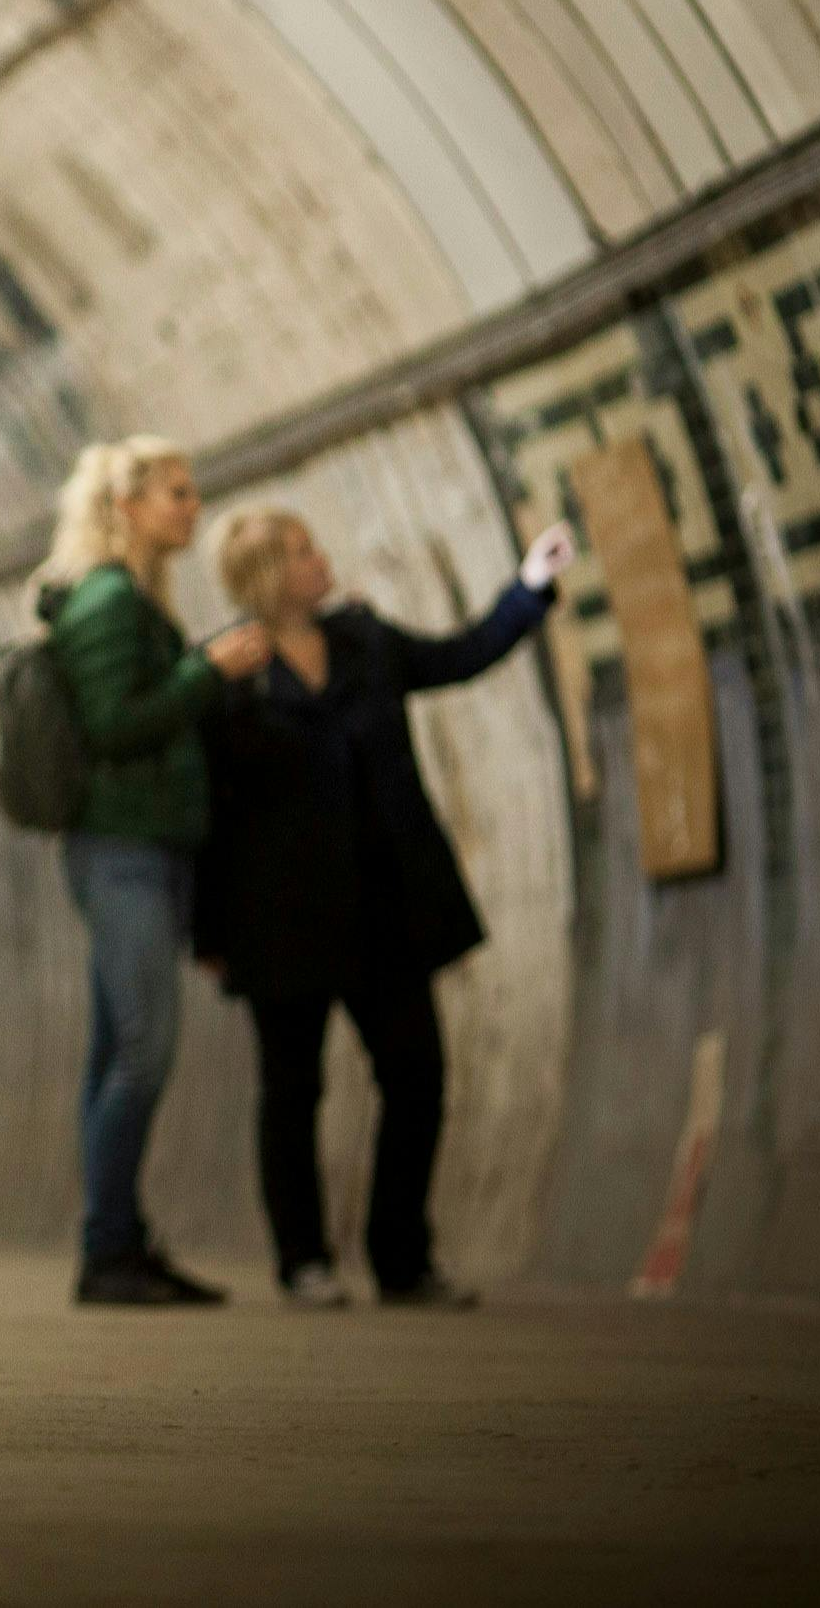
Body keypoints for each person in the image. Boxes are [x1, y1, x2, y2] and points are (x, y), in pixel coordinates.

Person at [194, 508, 573, 1310]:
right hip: (281, 918)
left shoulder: (365, 641)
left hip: (383, 902)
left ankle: (400, 1255)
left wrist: (528, 590)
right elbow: (209, 815)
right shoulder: (227, 675)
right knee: (292, 1091)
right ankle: (303, 1260)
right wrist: (209, 928)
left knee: (416, 1076)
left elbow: (457, 656)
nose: (320, 558)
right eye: (302, 551)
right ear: (267, 576)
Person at [35, 437, 272, 1307]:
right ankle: (107, 1252)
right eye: (176, 492)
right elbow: (111, 726)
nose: (191, 506)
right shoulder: (105, 602)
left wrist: (195, 668)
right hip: (120, 849)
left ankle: (121, 1240)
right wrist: (206, 670)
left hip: (147, 847)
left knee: (115, 1049)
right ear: (125, 507)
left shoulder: (135, 601)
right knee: (143, 1050)